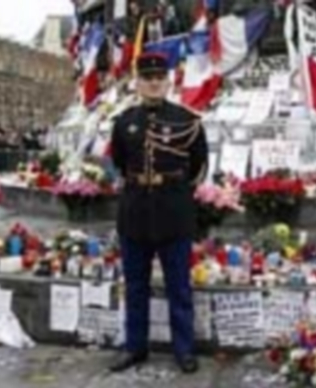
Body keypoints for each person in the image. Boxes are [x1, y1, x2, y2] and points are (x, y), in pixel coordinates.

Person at [108, 53, 208, 374]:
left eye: (159, 78)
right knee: (135, 286)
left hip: (173, 212)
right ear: (137, 83)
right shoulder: (124, 122)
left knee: (179, 286)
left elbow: (198, 167)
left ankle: (184, 350)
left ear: (168, 82)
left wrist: (173, 191)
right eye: (147, 78)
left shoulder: (187, 121)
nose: (153, 83)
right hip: (135, 212)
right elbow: (121, 163)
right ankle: (135, 347)